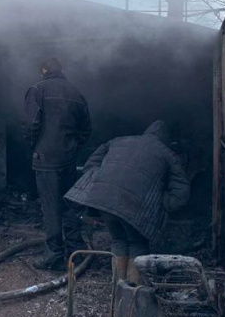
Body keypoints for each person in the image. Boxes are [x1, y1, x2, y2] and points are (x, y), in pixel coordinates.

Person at [65, 120, 191, 284]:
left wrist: (101, 181)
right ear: (167, 138)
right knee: (137, 243)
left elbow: (91, 164)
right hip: (136, 206)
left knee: (118, 240)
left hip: (104, 201)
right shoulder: (168, 154)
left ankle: (118, 285)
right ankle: (132, 291)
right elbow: (181, 193)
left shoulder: (117, 141)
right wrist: (161, 203)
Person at [25, 57, 92, 271]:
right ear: (61, 69)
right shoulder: (76, 93)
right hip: (68, 159)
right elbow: (86, 129)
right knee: (70, 205)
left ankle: (54, 255)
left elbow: (32, 124)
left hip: (46, 160)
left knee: (51, 207)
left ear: (43, 69)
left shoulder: (37, 90)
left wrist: (35, 146)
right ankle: (75, 250)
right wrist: (72, 147)